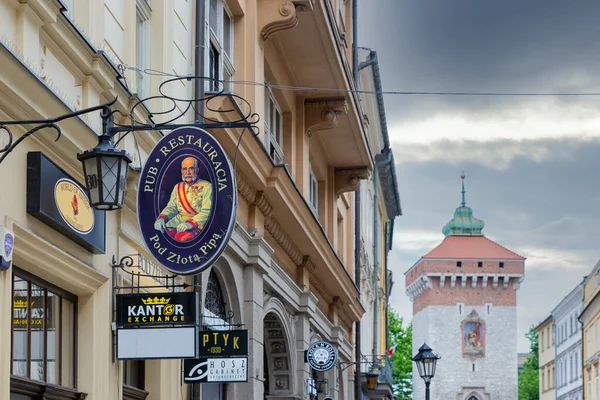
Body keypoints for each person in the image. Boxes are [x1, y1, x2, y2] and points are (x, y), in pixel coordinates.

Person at [154, 157, 213, 242]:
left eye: (191, 168)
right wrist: (161, 218)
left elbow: (207, 212)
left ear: (197, 170)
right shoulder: (178, 187)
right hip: (177, 222)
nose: (187, 172)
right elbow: (172, 207)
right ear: (181, 171)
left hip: (196, 224)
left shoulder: (207, 186)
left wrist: (190, 224)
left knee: (181, 238)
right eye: (184, 169)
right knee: (161, 235)